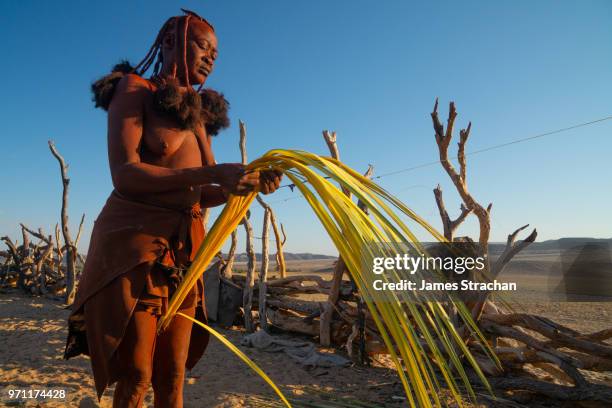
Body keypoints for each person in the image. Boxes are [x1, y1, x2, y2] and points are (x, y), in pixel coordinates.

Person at [63, 9, 282, 407]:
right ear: (169, 43)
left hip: (185, 259)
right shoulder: (135, 90)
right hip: (136, 252)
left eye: (216, 52)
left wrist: (244, 187)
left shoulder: (196, 116)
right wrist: (212, 173)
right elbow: (125, 173)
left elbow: (199, 194)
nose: (212, 57)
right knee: (136, 376)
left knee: (174, 375)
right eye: (203, 45)